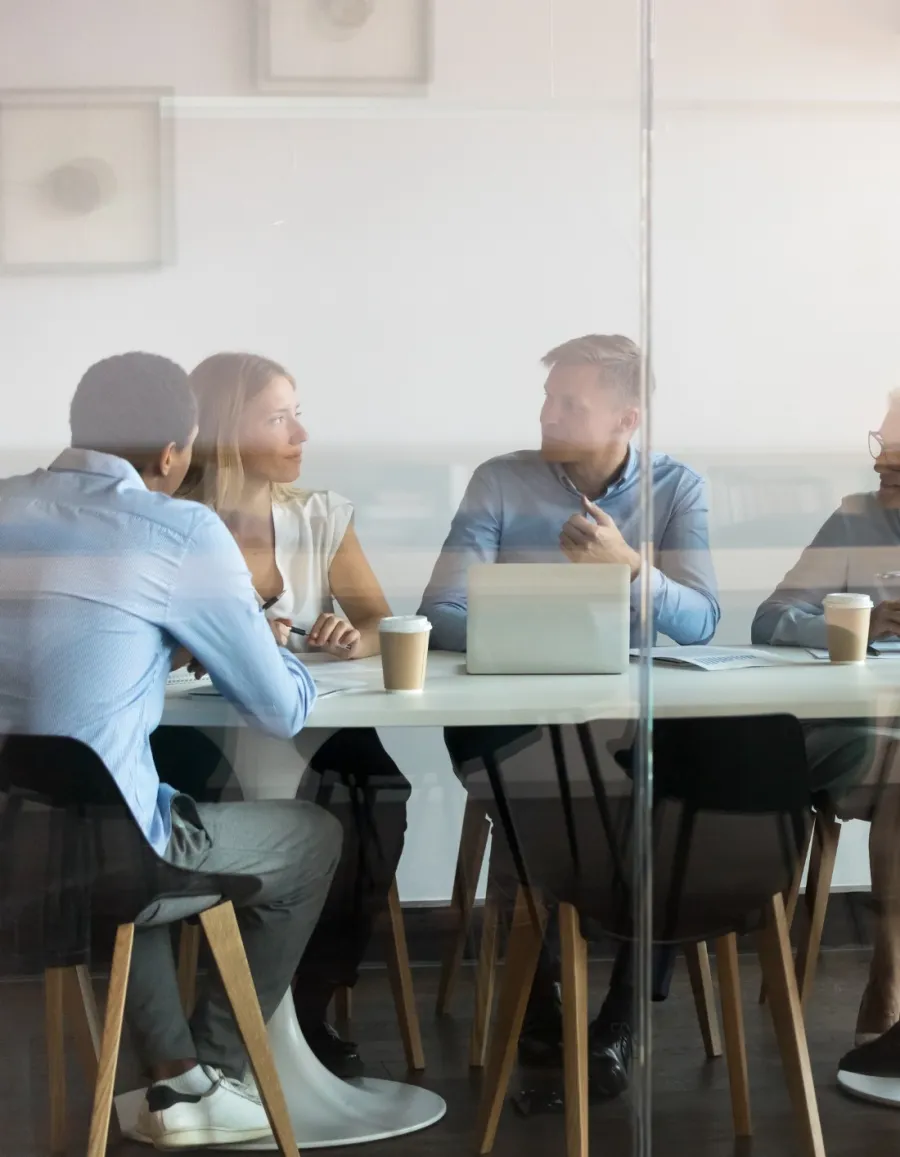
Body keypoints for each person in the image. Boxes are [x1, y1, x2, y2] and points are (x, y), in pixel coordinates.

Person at [0, 353, 342, 1148]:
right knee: (313, 837)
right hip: (114, 851)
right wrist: (259, 639)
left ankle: (177, 1079)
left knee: (118, 818)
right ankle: (217, 1071)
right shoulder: (179, 527)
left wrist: (156, 645)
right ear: (171, 455)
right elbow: (278, 709)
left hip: (18, 840)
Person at [419, 334, 721, 1099]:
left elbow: (701, 621)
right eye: (548, 397)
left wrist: (626, 568)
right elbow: (440, 612)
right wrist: (548, 614)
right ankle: (541, 994)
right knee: (548, 784)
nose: (547, 413)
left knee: (669, 794)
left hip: (621, 725)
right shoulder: (500, 481)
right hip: (512, 721)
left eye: (569, 403)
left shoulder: (678, 488)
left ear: (627, 417)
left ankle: (620, 1016)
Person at [180, 351, 410, 1077]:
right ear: (224, 427)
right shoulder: (173, 524)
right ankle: (235, 1022)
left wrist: (348, 637)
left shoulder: (319, 516)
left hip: (315, 719)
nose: (300, 432)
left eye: (296, 412)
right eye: (278, 417)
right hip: (201, 735)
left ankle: (305, 1008)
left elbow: (381, 620)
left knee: (376, 799)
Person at [752, 391, 900, 1098]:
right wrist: (862, 627)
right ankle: (890, 983)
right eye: (884, 446)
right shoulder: (855, 518)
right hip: (855, 734)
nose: (886, 466)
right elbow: (772, 617)